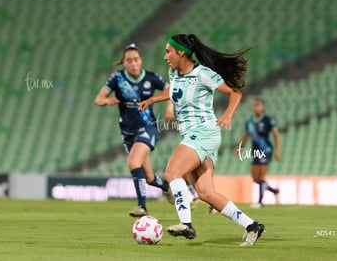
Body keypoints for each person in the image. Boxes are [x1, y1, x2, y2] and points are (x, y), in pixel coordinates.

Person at [139, 34, 265, 246]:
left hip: (204, 132)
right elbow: (174, 91)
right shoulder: (175, 73)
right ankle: (252, 226)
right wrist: (153, 98)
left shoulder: (204, 74)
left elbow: (235, 93)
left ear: (181, 52)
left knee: (172, 172)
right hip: (193, 135)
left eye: (168, 51)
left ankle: (186, 224)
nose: (165, 56)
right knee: (206, 193)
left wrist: (227, 115)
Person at [94, 43, 173, 217]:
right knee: (150, 177)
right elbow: (98, 99)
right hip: (128, 133)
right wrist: (108, 101)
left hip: (148, 128)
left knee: (133, 163)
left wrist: (169, 108)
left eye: (136, 59)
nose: (133, 63)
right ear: (124, 63)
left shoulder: (151, 78)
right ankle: (167, 187)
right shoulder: (117, 79)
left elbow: (171, 90)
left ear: (141, 60)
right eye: (129, 61)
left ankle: (142, 206)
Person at [237, 97, 280, 208]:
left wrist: (277, 150)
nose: (257, 107)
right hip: (255, 152)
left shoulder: (267, 120)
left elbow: (276, 135)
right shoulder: (250, 122)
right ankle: (274, 191)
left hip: (266, 150)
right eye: (255, 105)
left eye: (259, 105)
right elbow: (245, 136)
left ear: (263, 107)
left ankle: (260, 202)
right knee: (255, 178)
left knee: (261, 177)